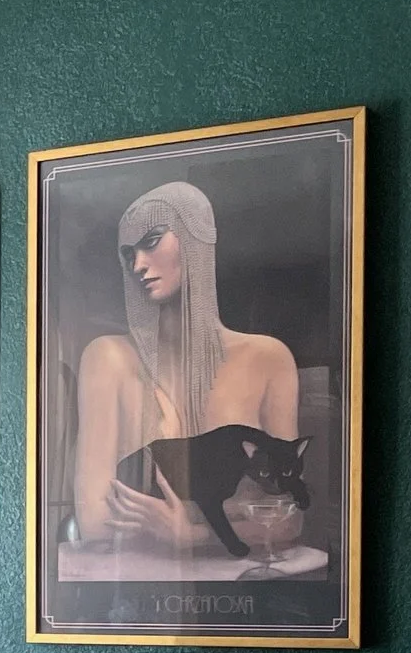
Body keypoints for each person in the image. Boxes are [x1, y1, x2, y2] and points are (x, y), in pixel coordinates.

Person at [72, 182, 299, 554]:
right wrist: (233, 513)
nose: (137, 265)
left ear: (196, 239)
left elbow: (289, 518)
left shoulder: (269, 359)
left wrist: (191, 533)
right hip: (135, 597)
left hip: (251, 597)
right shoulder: (108, 358)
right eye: (128, 253)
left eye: (152, 241)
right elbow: (95, 521)